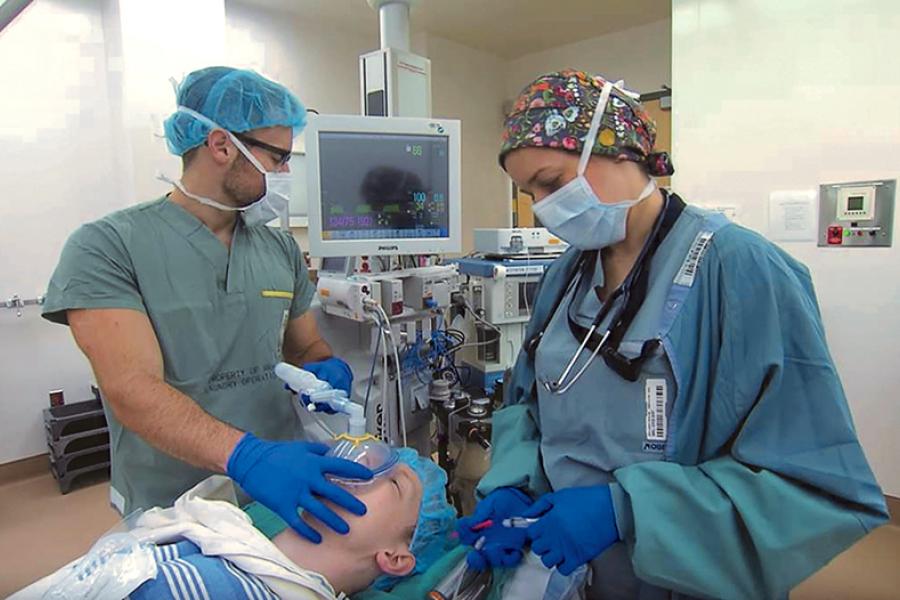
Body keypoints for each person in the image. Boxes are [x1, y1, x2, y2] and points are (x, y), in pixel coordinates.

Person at [457, 69, 890, 599]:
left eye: (551, 183)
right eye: (529, 193)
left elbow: (811, 483)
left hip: (680, 574)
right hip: (564, 565)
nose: (545, 209)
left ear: (621, 150)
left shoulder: (741, 270)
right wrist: (513, 484)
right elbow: (531, 403)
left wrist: (626, 510)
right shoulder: (566, 275)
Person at [41, 66, 371, 542]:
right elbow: (131, 388)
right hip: (171, 505)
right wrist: (246, 457)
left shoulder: (279, 251)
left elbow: (304, 347)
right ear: (221, 146)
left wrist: (325, 367)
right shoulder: (107, 246)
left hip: (281, 490)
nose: (284, 174)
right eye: (278, 158)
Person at [12, 449, 458, 600]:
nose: (364, 470)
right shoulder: (224, 535)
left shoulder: (231, 587)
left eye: (393, 483)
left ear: (395, 557)